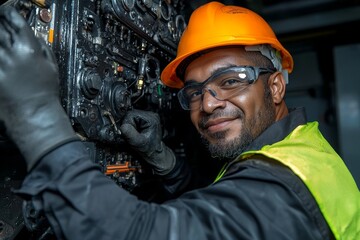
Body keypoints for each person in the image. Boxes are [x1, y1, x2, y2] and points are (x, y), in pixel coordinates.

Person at [0, 1, 359, 240]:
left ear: (276, 86)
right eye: (194, 91)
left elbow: (137, 233)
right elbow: (218, 212)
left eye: (231, 80)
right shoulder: (294, 152)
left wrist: (37, 115)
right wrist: (164, 161)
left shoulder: (287, 189)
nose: (208, 103)